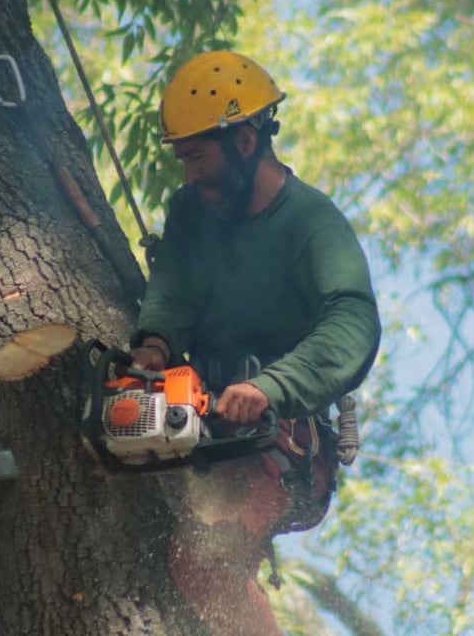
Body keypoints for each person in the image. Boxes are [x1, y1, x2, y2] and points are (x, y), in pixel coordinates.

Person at [129, 50, 381, 636]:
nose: (188, 175)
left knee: (207, 561)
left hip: (281, 442)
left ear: (245, 142)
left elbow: (353, 321)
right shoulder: (193, 210)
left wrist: (271, 387)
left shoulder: (312, 223)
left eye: (197, 157)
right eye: (182, 158)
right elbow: (171, 289)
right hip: (202, 423)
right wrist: (154, 347)